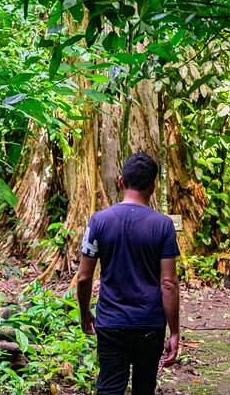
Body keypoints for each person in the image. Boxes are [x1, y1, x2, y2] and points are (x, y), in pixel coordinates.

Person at [77, 152, 180, 395]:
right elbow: (168, 283)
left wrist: (85, 313)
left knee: (110, 388)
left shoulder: (99, 221)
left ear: (121, 182)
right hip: (149, 324)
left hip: (111, 322)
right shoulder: (163, 225)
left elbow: (83, 277)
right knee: (144, 388)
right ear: (153, 187)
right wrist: (174, 331)